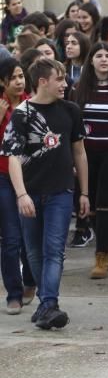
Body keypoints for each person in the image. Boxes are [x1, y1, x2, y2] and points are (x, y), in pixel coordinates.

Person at [1, 59, 88, 330]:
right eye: (59, 79)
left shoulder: (71, 110)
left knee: (54, 250)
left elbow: (79, 152)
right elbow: (13, 157)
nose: (65, 84)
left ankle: (49, 303)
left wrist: (84, 192)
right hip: (30, 193)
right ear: (42, 81)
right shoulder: (22, 113)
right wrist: (21, 194)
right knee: (33, 251)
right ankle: (45, 305)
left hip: (61, 192)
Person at [72, 42, 108, 279]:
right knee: (91, 208)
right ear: (91, 60)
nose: (104, 59)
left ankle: (102, 256)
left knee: (106, 205)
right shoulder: (79, 89)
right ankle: (106, 247)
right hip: (85, 155)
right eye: (99, 55)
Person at [0, 58, 34, 314]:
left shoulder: (31, 104)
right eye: (13, 78)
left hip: (29, 176)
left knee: (29, 236)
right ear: (2, 82)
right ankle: (14, 293)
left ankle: (31, 281)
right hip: (3, 178)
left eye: (21, 76)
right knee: (11, 238)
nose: (19, 81)